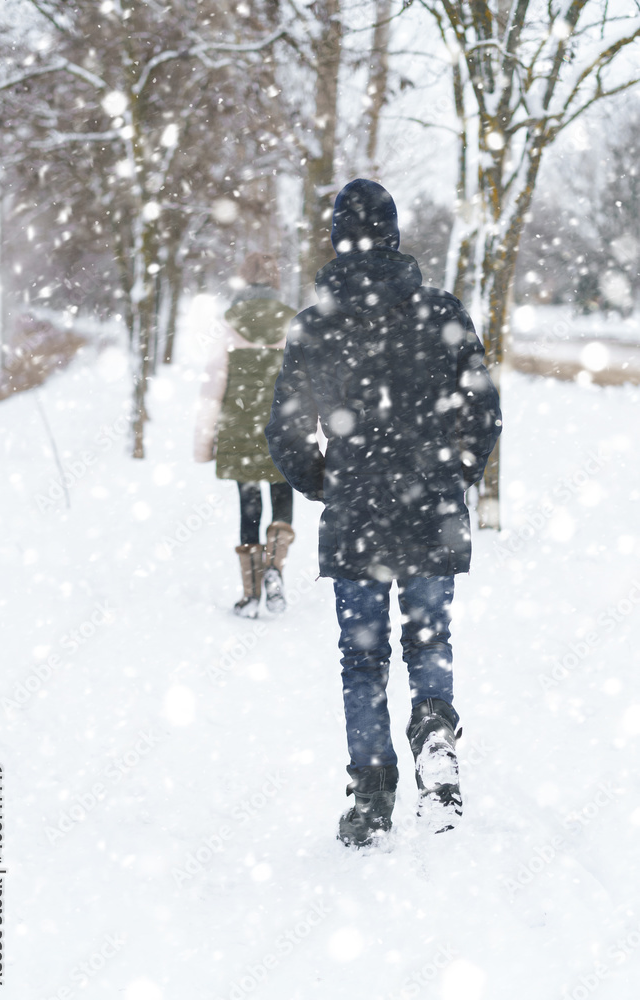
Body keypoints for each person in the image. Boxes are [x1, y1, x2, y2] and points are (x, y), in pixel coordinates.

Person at [266, 179, 502, 845]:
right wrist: (454, 472)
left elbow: (282, 430)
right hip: (429, 507)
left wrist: (325, 481)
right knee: (429, 639)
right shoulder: (442, 312)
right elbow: (483, 412)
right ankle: (434, 731)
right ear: (395, 235)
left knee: (362, 657)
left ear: (338, 237)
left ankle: (371, 797)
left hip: (357, 512)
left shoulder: (313, 325)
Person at [194, 252, 296, 618]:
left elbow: (212, 391)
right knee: (282, 496)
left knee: (248, 506)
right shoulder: (292, 324)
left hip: (239, 432)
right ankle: (275, 570)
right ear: (276, 282)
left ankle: (251, 595)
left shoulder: (228, 326)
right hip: (283, 430)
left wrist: (205, 441)